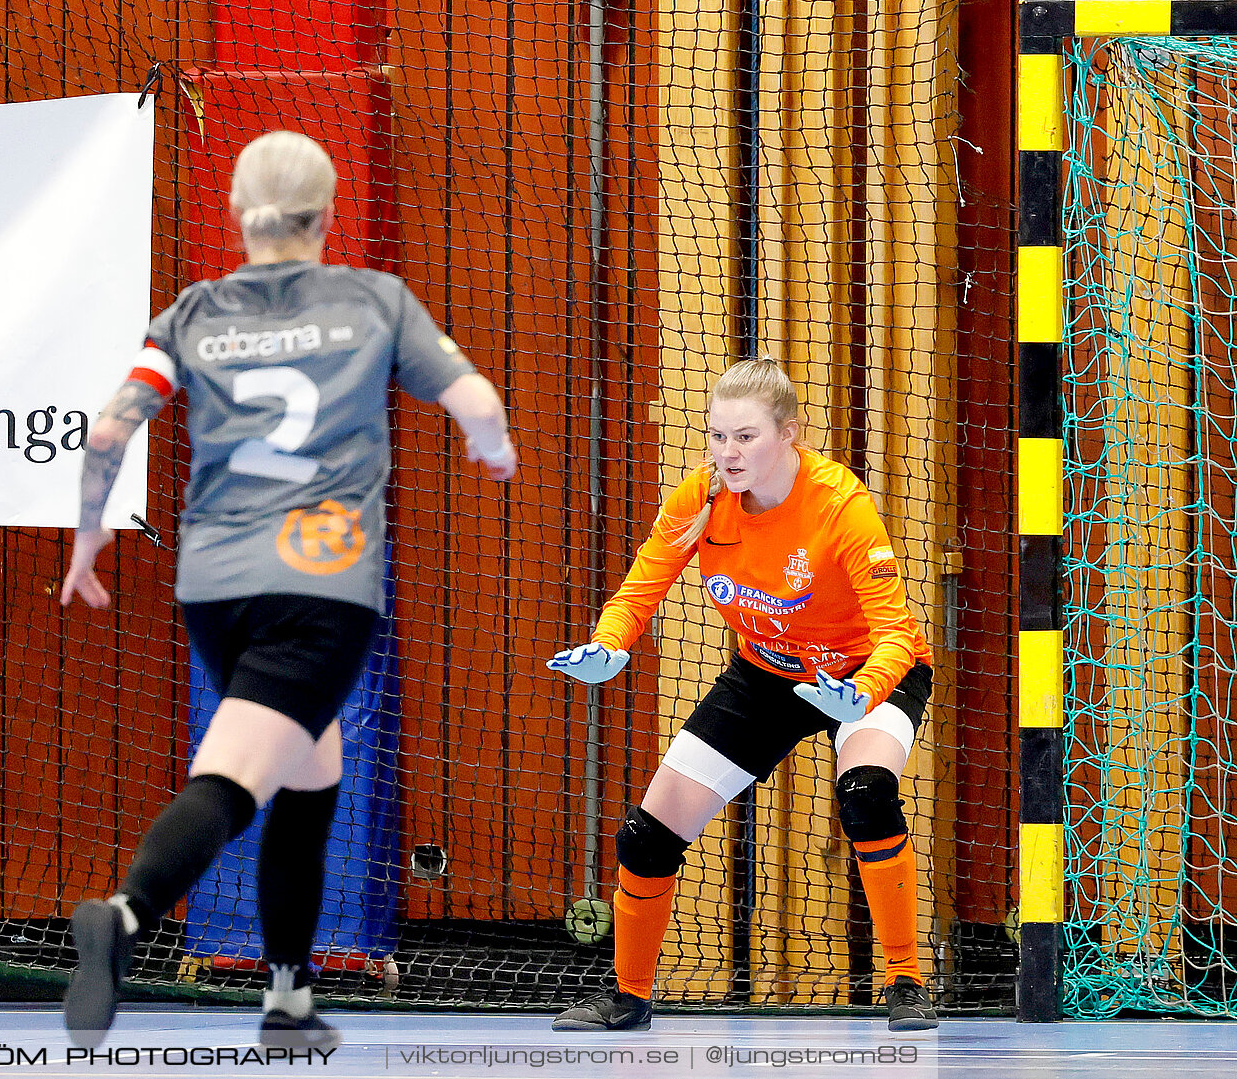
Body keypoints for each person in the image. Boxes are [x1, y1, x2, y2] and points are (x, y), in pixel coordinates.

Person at [59, 130, 517, 1048]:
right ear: (328, 212)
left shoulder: (189, 314)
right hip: (321, 584)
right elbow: (472, 397)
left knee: (312, 773)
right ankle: (126, 914)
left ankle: (288, 999)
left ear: (237, 213)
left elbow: (109, 430)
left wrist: (88, 534)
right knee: (233, 777)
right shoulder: (374, 301)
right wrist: (493, 445)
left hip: (216, 587)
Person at [548, 358, 939, 1033]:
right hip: (766, 674)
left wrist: (863, 691)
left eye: (746, 437)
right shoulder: (701, 498)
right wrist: (611, 644)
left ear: (789, 434)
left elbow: (896, 633)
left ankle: (906, 979)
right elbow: (644, 582)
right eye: (717, 435)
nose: (728, 453)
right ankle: (629, 997)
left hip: (865, 671)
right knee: (646, 835)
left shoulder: (841, 506)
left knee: (865, 792)